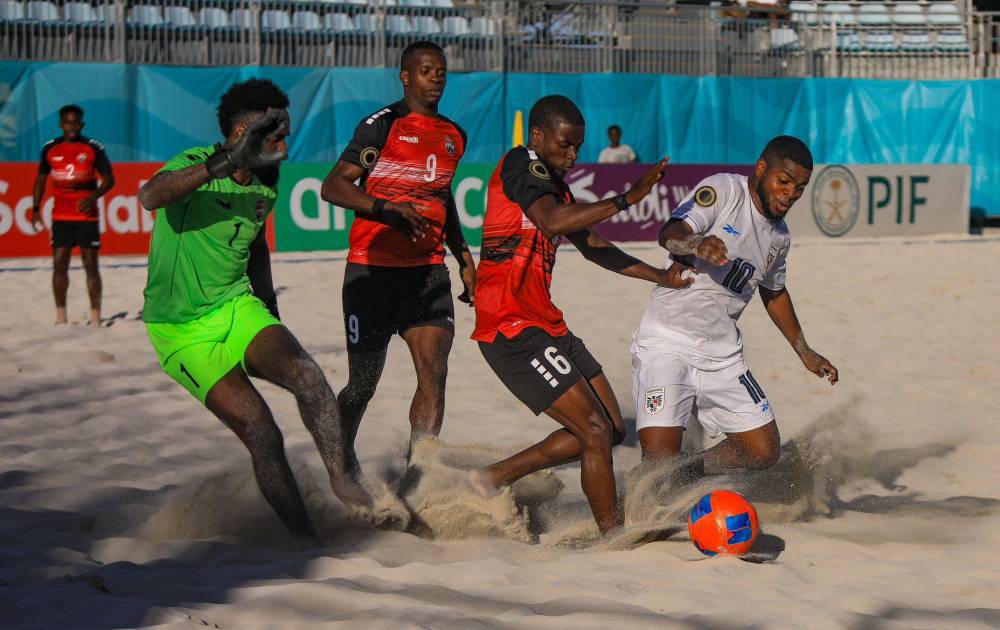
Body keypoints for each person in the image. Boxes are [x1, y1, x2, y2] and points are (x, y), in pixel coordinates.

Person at [138, 79, 373, 543]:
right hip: (181, 329)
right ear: (244, 133)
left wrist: (268, 309)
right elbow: (151, 196)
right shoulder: (194, 164)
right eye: (276, 135)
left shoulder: (267, 181)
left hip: (236, 306)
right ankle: (306, 542)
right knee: (262, 431)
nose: (285, 146)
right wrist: (228, 161)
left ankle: (346, 483)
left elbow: (255, 243)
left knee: (309, 377)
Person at [466, 95, 691, 537]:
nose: (573, 155)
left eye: (578, 147)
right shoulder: (519, 163)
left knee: (611, 429)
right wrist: (626, 199)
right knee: (592, 429)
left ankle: (493, 477)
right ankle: (614, 538)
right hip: (510, 327)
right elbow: (550, 221)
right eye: (565, 145)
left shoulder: (560, 191)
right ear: (537, 136)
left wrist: (660, 276)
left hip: (547, 323)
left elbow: (596, 248)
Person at [631, 135, 838, 479]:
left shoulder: (780, 237)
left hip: (722, 356)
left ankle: (685, 474)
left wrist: (805, 351)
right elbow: (669, 233)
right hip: (666, 344)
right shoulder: (725, 189)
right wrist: (696, 243)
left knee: (763, 451)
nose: (790, 194)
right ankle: (662, 482)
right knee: (656, 470)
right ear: (761, 168)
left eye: (800, 188)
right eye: (784, 181)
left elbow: (775, 293)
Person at [320, 41, 476, 479]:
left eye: (441, 71)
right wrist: (385, 208)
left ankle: (417, 476)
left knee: (434, 373)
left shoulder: (455, 135)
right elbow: (332, 187)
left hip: (427, 273)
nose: (436, 78)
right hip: (371, 272)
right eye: (427, 71)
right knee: (362, 385)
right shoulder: (381, 126)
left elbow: (441, 196)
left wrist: (463, 255)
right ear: (406, 77)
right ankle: (339, 464)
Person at [32, 104, 116, 326]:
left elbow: (110, 180)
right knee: (59, 265)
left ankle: (96, 318)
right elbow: (40, 179)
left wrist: (93, 197)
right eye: (68, 123)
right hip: (61, 217)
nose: (72, 127)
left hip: (87, 217)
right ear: (61, 125)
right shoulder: (50, 148)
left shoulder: (93, 148)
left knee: (91, 265)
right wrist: (35, 209)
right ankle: (61, 317)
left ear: (82, 125)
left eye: (76, 123)